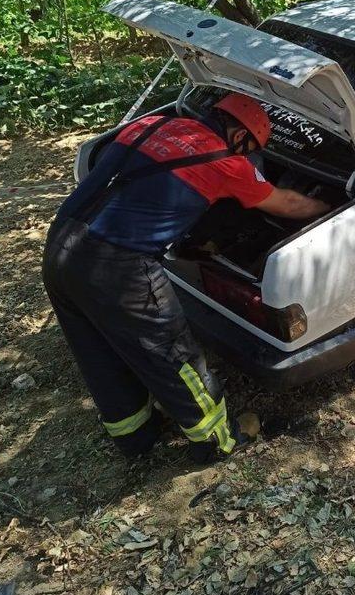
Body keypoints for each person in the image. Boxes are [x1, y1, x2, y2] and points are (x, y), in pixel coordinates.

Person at [42, 92, 330, 462]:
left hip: (62, 245)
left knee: (97, 349)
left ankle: (135, 436)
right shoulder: (225, 161)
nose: (248, 156)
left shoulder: (150, 124)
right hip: (119, 266)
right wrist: (327, 205)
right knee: (173, 352)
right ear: (240, 136)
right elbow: (288, 204)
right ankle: (216, 440)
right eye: (251, 149)